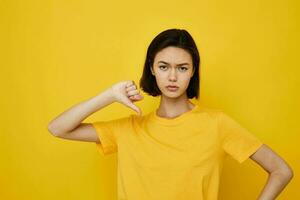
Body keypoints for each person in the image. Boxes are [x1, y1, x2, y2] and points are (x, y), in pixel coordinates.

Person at [48, 28, 293, 200]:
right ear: (152, 69)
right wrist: (109, 95)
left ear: (193, 71)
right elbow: (58, 128)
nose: (173, 77)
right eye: (164, 67)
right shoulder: (129, 129)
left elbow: (281, 170)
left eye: (182, 68)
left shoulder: (217, 124)